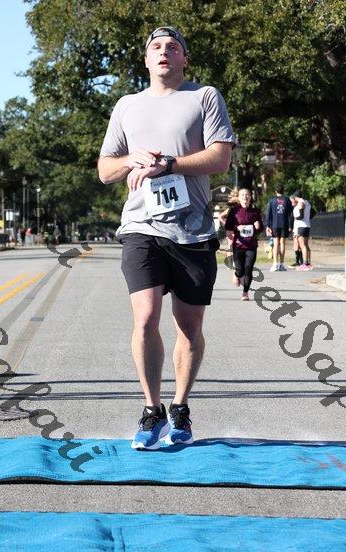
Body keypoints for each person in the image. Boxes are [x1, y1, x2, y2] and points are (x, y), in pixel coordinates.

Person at [98, 26, 235, 450]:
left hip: (193, 230)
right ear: (145, 59)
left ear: (184, 59)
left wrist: (170, 164)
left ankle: (180, 406)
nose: (164, 52)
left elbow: (221, 158)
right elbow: (105, 170)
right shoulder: (127, 105)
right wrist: (130, 160)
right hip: (141, 226)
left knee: (189, 327)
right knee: (144, 319)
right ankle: (151, 407)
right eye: (155, 47)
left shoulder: (204, 96)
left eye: (173, 47)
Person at [225, 188, 263, 301]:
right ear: (239, 197)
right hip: (238, 245)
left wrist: (258, 226)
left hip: (251, 245)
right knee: (240, 270)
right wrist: (237, 227)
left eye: (247, 195)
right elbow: (228, 226)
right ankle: (236, 274)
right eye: (242, 195)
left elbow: (261, 228)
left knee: (248, 269)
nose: (245, 197)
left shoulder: (255, 211)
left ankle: (245, 293)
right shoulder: (234, 211)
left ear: (250, 197)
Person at [265, 184, 293, 272]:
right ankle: (281, 264)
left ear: (275, 191)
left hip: (275, 225)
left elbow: (268, 213)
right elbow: (291, 214)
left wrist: (267, 225)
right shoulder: (287, 200)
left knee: (276, 243)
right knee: (283, 243)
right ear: (283, 191)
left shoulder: (272, 200)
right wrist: (291, 225)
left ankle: (275, 264)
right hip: (284, 224)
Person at [291, 191, 313, 271]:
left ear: (295, 197)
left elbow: (301, 216)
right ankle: (308, 263)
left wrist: (295, 218)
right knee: (306, 245)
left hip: (301, 226)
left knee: (302, 245)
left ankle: (305, 264)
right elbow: (313, 213)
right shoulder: (307, 202)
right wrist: (307, 219)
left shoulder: (300, 202)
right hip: (307, 225)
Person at [289, 196, 303, 268]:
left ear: (295, 200)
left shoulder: (298, 207)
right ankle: (298, 261)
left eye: (292, 200)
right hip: (295, 228)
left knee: (298, 245)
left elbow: (299, 217)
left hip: (298, 228)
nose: (291, 202)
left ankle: (300, 262)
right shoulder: (294, 208)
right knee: (296, 245)